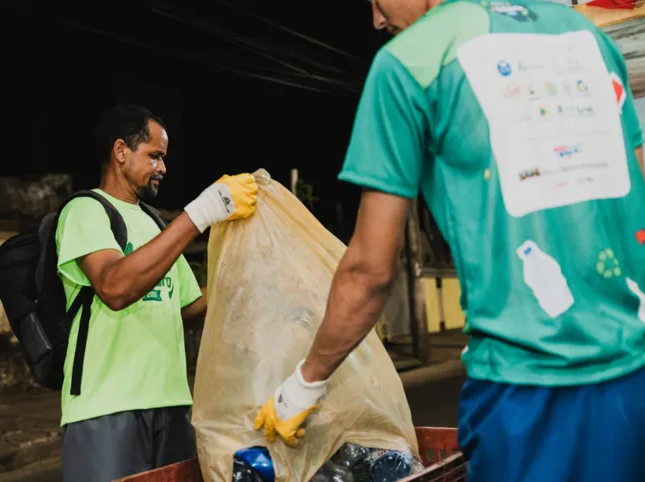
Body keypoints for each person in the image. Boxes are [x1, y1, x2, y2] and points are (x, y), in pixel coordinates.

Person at [254, 1, 645, 480]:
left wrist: (303, 385)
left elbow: (369, 271)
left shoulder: (408, 62)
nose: (376, 19)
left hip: (526, 388)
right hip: (635, 374)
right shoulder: (588, 38)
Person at [57, 103, 258, 481]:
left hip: (172, 404)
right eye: (154, 156)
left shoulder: (154, 223)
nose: (162, 168)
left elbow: (186, 304)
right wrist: (199, 214)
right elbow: (114, 287)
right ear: (120, 151)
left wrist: (244, 274)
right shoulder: (86, 210)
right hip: (107, 410)